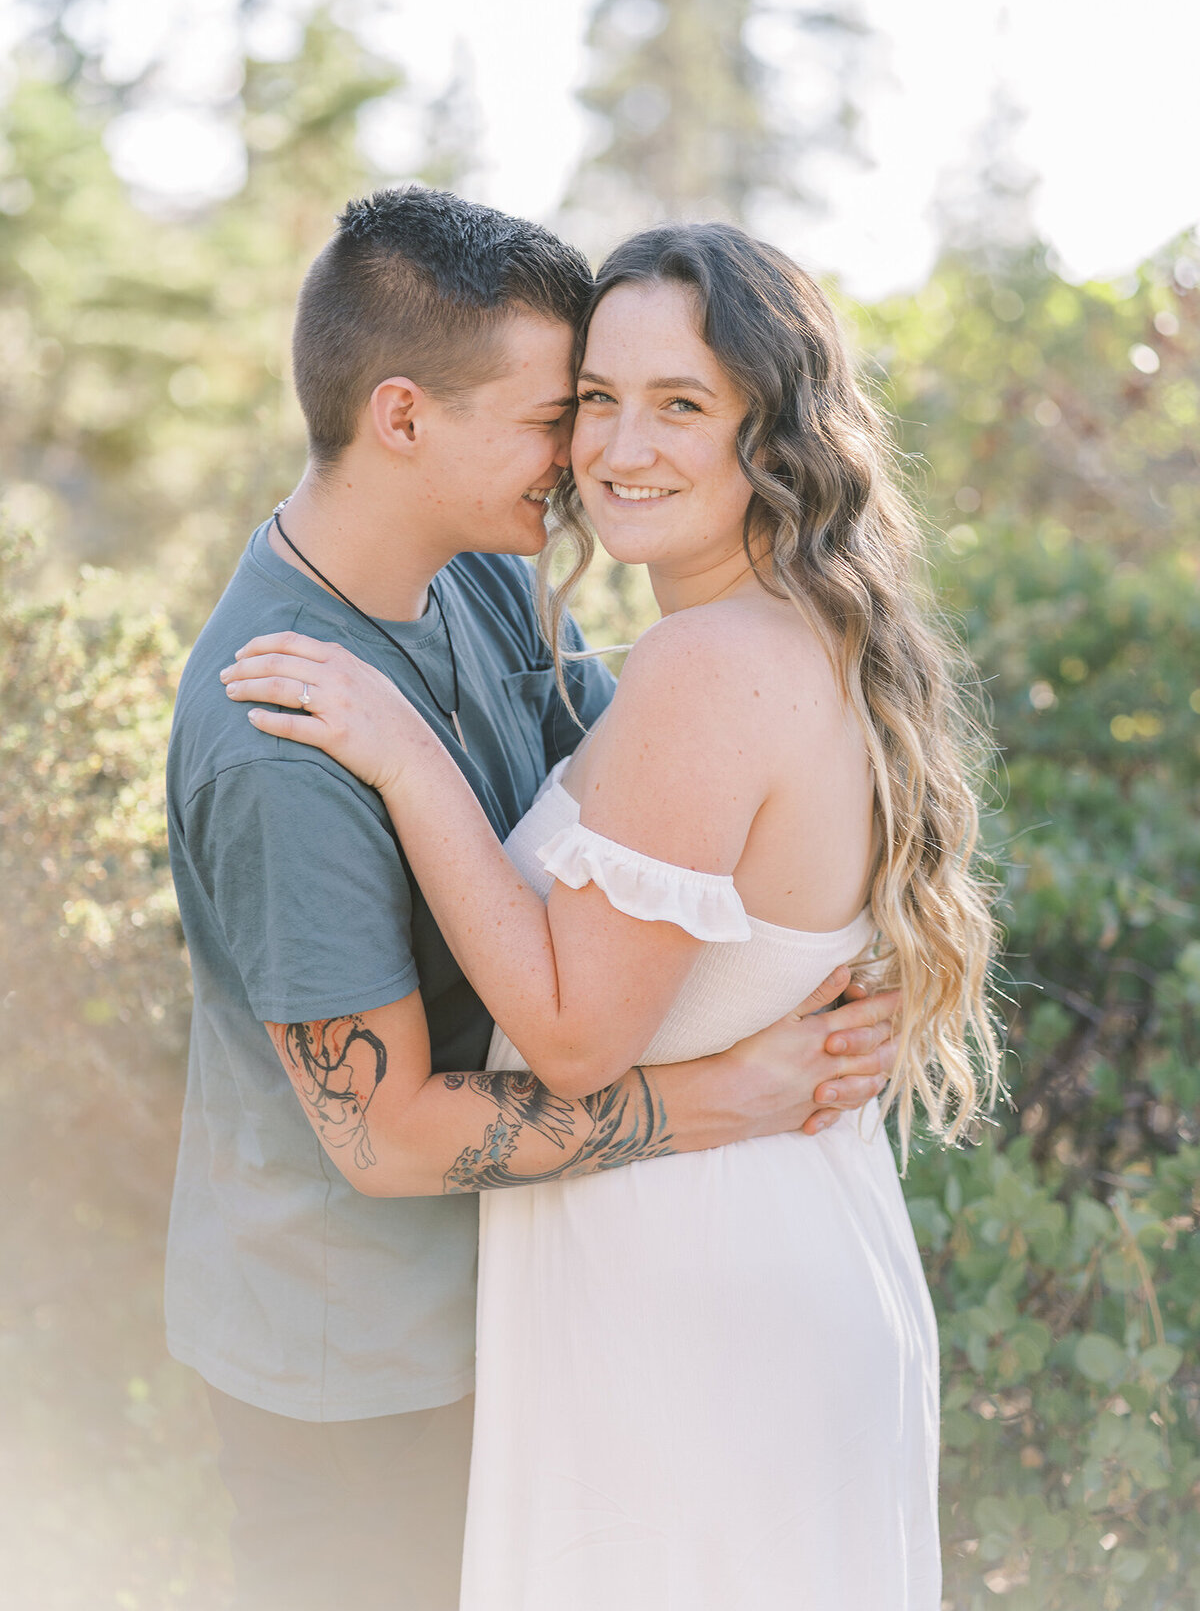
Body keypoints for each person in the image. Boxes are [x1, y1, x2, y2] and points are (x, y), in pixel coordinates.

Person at [226, 221, 1002, 1609]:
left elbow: (577, 1037)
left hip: (690, 1302)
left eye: (682, 404)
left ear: (776, 432)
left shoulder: (709, 664)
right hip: (757, 1247)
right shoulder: (780, 625)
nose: (615, 447)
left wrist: (404, 757)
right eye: (594, 398)